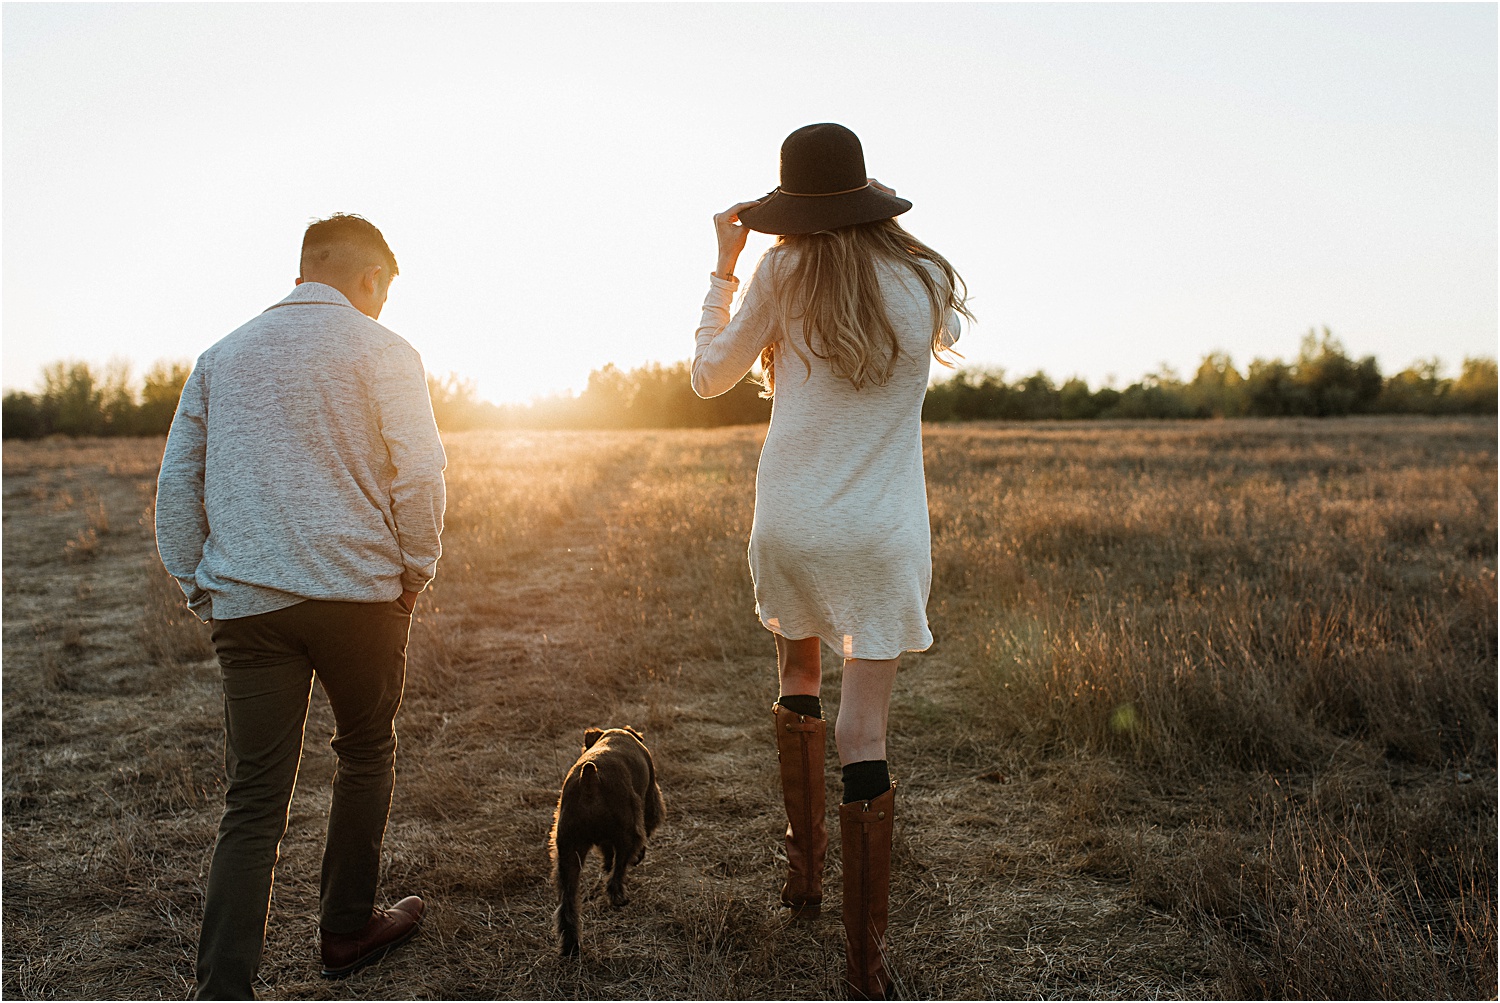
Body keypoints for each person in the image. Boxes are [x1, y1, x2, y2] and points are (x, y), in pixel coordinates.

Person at [691, 123, 971, 999]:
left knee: (799, 673)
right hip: (882, 530)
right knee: (864, 735)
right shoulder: (925, 278)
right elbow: (945, 329)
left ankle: (804, 879)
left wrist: (724, 267)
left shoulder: (780, 270)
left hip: (792, 522)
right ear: (866, 194)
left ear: (790, 209)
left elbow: (709, 376)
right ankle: (864, 966)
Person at [155, 213, 447, 999]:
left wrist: (200, 585)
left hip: (248, 607)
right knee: (365, 752)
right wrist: (414, 567)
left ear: (300, 271)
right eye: (383, 289)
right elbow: (420, 473)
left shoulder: (221, 356)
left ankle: (223, 987)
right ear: (371, 279)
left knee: (252, 798)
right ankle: (348, 928)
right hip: (361, 597)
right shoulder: (387, 351)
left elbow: (175, 484)